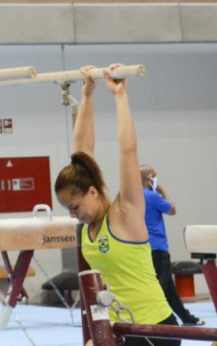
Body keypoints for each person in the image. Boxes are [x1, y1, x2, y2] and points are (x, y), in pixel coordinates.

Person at [55, 65, 180, 346]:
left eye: (75, 207)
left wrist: (120, 96)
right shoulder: (89, 227)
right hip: (119, 327)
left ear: (92, 192)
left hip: (154, 330)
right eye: (68, 211)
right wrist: (88, 96)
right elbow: (81, 153)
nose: (74, 216)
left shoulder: (125, 213)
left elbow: (127, 151)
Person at [141, 164, 204, 326]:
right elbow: (172, 210)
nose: (156, 179)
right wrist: (161, 190)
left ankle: (187, 318)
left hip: (143, 249)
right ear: (148, 179)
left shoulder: (135, 197)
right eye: (154, 176)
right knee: (160, 288)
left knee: (169, 289)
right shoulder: (152, 196)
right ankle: (155, 320)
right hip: (158, 249)